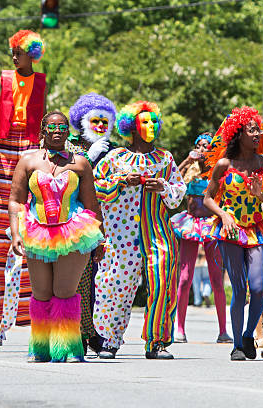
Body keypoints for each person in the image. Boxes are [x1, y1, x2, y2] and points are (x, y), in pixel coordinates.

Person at [8, 111, 104, 362]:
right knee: (41, 292)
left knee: (64, 291)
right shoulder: (28, 160)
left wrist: (100, 239)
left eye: (63, 126)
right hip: (36, 231)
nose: (58, 130)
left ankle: (69, 348)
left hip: (73, 231)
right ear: (43, 130)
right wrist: (16, 233)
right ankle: (40, 348)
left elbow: (92, 203)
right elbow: (15, 201)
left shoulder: (80, 163)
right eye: (53, 126)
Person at [93, 101, 186, 359]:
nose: (152, 126)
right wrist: (120, 182)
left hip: (158, 234)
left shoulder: (165, 159)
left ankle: (156, 342)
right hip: (121, 236)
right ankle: (109, 340)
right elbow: (95, 187)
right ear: (132, 127)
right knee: (115, 287)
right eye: (145, 122)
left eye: (155, 121)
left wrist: (164, 187)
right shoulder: (115, 158)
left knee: (161, 286)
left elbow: (178, 194)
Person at [0, 30, 47, 333]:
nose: (15, 57)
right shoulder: (5, 77)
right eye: (13, 53)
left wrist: (44, 137)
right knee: (1, 205)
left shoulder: (40, 81)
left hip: (29, 142)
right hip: (4, 140)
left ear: (33, 54)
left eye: (20, 53)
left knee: (27, 200)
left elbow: (42, 112)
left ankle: (31, 308)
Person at [203, 106, 263, 361]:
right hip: (230, 231)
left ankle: (247, 335)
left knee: (257, 287)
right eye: (252, 129)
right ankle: (236, 344)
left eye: (258, 129)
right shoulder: (224, 164)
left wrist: (261, 195)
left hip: (256, 230)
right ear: (238, 133)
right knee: (239, 288)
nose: (258, 133)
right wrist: (223, 215)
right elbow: (208, 198)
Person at [66, 92, 117, 353]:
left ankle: (90, 332)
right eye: (95, 121)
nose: (100, 127)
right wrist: (91, 158)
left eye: (104, 122)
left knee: (98, 280)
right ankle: (83, 333)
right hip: (74, 219)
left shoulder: (113, 149)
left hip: (108, 222)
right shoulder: (70, 147)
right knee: (79, 279)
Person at [171, 132, 231, 344]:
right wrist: (188, 160)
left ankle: (223, 331)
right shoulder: (191, 169)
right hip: (190, 224)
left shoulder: (219, 169)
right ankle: (179, 328)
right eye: (201, 145)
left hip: (212, 225)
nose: (204, 149)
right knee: (185, 277)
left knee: (216, 278)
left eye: (208, 146)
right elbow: (171, 180)